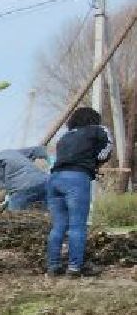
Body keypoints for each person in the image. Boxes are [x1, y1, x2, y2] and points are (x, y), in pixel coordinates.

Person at [47, 106, 113, 277]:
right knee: (77, 225)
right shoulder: (98, 130)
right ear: (94, 119)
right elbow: (106, 152)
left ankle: (53, 266)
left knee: (58, 226)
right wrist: (94, 164)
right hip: (76, 179)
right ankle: (74, 268)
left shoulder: (65, 136)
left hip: (54, 179)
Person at [0, 140, 48, 211]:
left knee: (13, 218)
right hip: (45, 180)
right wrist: (45, 162)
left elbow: (3, 188)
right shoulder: (9, 152)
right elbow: (38, 149)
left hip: (22, 188)